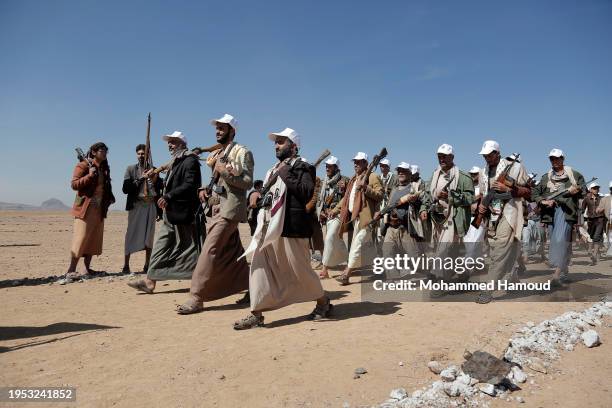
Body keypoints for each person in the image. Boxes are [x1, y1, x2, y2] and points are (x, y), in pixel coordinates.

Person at [233, 127, 332, 329]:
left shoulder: (303, 167)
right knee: (259, 267)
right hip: (269, 226)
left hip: (292, 227)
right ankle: (256, 313)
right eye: (276, 142)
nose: (276, 145)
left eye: (281, 141)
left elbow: (305, 192)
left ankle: (323, 302)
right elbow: (270, 193)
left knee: (301, 271)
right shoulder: (272, 169)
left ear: (293, 146)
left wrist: (285, 171)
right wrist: (257, 195)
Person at [177, 114, 253, 314]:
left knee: (209, 249)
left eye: (222, 128)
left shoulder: (242, 152)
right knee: (233, 252)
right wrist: (206, 189)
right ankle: (254, 287)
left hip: (230, 210)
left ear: (232, 131)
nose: (218, 131)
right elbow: (220, 182)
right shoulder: (219, 153)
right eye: (217, 128)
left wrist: (223, 170)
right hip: (217, 208)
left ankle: (196, 296)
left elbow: (246, 182)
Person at [127, 131, 201, 294]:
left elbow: (190, 185)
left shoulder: (190, 161)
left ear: (182, 144)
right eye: (169, 142)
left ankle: (202, 277)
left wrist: (168, 195)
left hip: (184, 213)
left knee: (191, 248)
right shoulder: (177, 160)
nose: (170, 145)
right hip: (171, 212)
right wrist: (155, 171)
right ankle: (150, 281)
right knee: (160, 245)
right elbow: (166, 167)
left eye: (173, 142)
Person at [473, 141, 531, 304]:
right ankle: (512, 279)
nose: (487, 158)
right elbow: (485, 194)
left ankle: (488, 289)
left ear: (498, 153)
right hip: (492, 215)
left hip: (509, 213)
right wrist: (482, 207)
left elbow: (529, 192)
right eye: (485, 155)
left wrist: (509, 190)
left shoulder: (515, 168)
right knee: (499, 250)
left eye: (490, 155)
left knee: (500, 250)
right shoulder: (484, 171)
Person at [532, 148, 586, 285]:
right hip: (550, 214)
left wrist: (576, 191)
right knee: (562, 243)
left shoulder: (573, 174)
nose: (554, 161)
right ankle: (564, 271)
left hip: (566, 212)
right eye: (552, 159)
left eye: (557, 158)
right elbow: (535, 193)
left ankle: (556, 275)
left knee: (559, 240)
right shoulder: (546, 177)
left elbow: (583, 190)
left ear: (563, 159)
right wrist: (543, 201)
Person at [329, 152, 383, 285]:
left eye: (359, 162)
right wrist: (335, 210)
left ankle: (346, 274)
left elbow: (380, 194)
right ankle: (380, 270)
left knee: (357, 245)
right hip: (356, 218)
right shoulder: (353, 179)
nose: (355, 164)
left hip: (367, 218)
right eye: (355, 161)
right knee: (364, 247)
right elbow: (346, 199)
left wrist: (365, 188)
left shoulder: (372, 176)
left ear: (365, 163)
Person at [66, 142, 115, 279]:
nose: (104, 153)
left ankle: (86, 269)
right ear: (93, 152)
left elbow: (106, 186)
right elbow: (74, 184)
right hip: (85, 208)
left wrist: (110, 198)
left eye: (106, 150)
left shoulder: (105, 168)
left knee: (94, 239)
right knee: (81, 238)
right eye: (102, 150)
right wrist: (89, 176)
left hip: (99, 209)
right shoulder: (83, 165)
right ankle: (71, 269)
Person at [427, 144, 474, 282]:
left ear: (452, 157)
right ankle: (463, 273)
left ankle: (439, 281)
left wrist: (449, 196)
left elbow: (470, 198)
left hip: (452, 219)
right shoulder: (435, 174)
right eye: (439, 156)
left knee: (443, 250)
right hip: (437, 218)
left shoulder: (463, 177)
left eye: (444, 156)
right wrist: (425, 207)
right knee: (445, 250)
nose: (441, 159)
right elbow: (427, 195)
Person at [375, 162, 429, 279]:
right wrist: (381, 214)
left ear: (409, 173)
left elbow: (426, 201)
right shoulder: (394, 189)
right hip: (391, 227)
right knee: (387, 253)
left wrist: (417, 203)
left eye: (404, 171)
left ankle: (430, 274)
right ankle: (393, 279)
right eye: (399, 170)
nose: (400, 173)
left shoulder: (414, 187)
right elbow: (389, 206)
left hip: (406, 228)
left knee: (415, 256)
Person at [122, 144, 163, 274]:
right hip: (136, 206)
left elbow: (159, 189)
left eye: (143, 153)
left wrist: (155, 178)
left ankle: (147, 265)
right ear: (136, 154)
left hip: (150, 205)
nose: (141, 156)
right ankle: (126, 266)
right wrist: (141, 178)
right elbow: (126, 189)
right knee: (131, 234)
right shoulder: (131, 169)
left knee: (149, 236)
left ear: (148, 154)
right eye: (139, 153)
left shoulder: (154, 170)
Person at [316, 156, 350, 279]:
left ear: (336, 167)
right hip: (327, 216)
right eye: (326, 166)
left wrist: (336, 210)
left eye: (330, 166)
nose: (327, 168)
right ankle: (349, 263)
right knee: (338, 241)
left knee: (330, 238)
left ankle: (325, 269)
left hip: (339, 215)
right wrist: (321, 212)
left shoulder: (345, 180)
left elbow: (347, 198)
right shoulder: (324, 182)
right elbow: (321, 200)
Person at [582, 182, 605, 264]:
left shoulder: (602, 198)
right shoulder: (586, 199)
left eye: (597, 188)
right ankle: (595, 252)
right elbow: (582, 210)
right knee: (591, 236)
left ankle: (594, 255)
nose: (596, 189)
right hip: (590, 220)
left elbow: (606, 208)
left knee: (596, 237)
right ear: (590, 190)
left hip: (600, 219)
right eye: (594, 188)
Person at [378, 158, 397, 240]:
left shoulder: (394, 178)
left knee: (387, 226)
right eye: (381, 166)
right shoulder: (379, 177)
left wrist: (388, 191)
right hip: (380, 206)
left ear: (388, 167)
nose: (382, 168)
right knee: (379, 228)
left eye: (384, 166)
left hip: (390, 207)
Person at [596, 181, 612, 258]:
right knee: (610, 238)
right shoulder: (605, 199)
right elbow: (600, 208)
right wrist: (598, 209)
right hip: (609, 222)